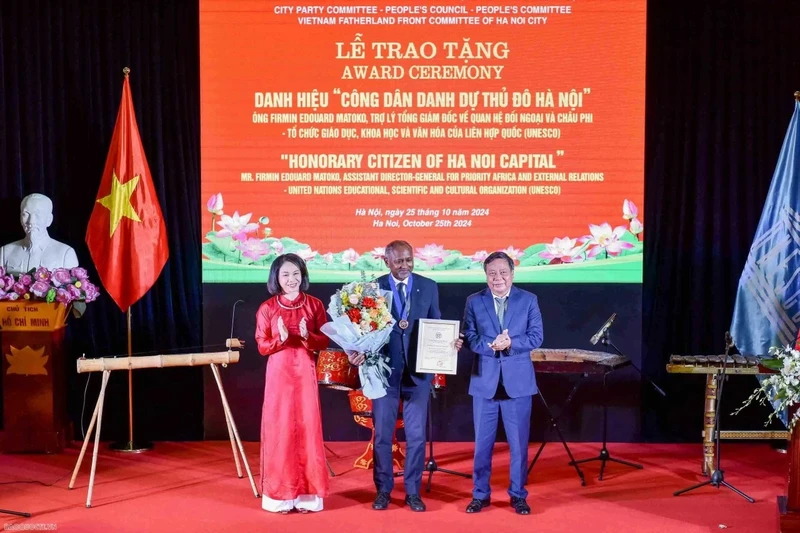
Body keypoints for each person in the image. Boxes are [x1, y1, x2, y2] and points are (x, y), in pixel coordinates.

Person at [348, 240, 461, 512]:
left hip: (418, 373)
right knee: (383, 436)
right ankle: (383, 490)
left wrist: (449, 343)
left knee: (417, 436)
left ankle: (413, 491)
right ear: (386, 261)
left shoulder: (429, 286)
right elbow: (361, 330)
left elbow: (437, 325)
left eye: (408, 259)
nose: (404, 265)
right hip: (385, 373)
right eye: (398, 261)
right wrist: (356, 350)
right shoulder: (372, 288)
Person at [463, 251, 543, 515]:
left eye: (503, 272)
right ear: (486, 276)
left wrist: (511, 343)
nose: (498, 278)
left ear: (512, 274)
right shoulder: (474, 302)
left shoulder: (528, 300)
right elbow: (471, 337)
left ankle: (518, 494)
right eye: (492, 273)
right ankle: (480, 494)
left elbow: (536, 337)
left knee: (518, 445)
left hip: (518, 384)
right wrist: (490, 346)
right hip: (484, 382)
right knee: (482, 445)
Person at [255, 253, 330, 514]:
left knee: (308, 426)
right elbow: (262, 346)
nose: (291, 279)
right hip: (279, 374)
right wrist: (282, 339)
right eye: (285, 274)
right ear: (276, 277)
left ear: (303, 275)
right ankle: (280, 497)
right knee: (280, 428)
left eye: (296, 273)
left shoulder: (315, 305)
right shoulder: (267, 308)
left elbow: (325, 339)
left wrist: (308, 336)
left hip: (306, 371)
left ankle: (307, 496)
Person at [0, 193, 79, 274]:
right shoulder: (5, 252)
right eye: (25, 214)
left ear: (49, 219)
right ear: (20, 217)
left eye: (37, 214)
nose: (31, 221)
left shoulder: (65, 254)